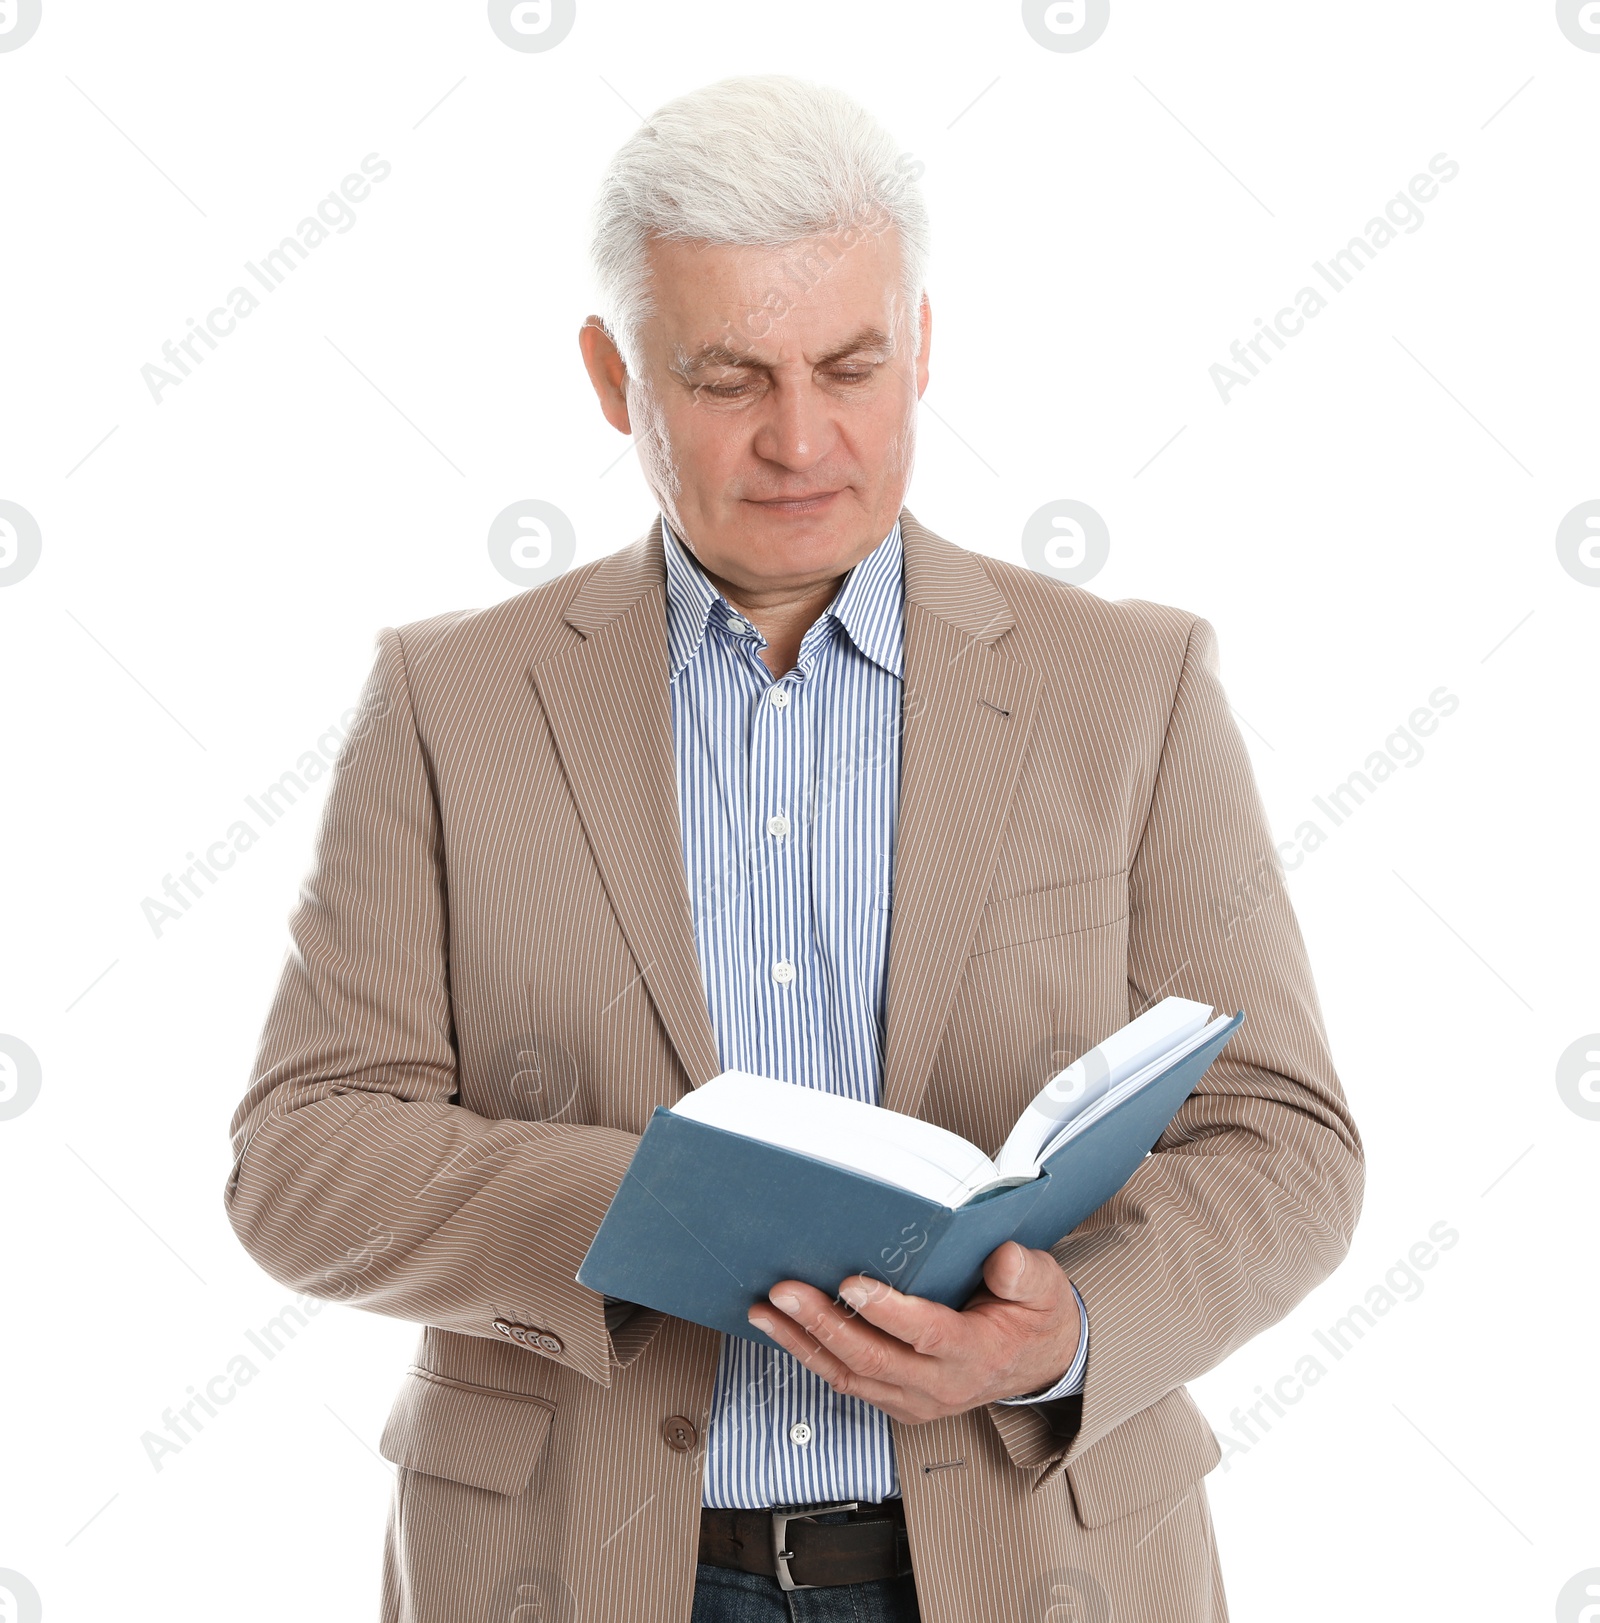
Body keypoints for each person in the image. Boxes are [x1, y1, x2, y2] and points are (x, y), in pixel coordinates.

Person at [225, 74, 1363, 1623]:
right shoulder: (451, 702)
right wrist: (648, 1215)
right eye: (726, 377)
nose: (801, 440)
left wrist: (1071, 1325)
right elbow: (303, 1164)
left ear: (924, 347)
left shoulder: (1129, 686)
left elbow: (1285, 1143)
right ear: (613, 376)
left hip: (1041, 1560)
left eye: (851, 366)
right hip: (579, 1567)